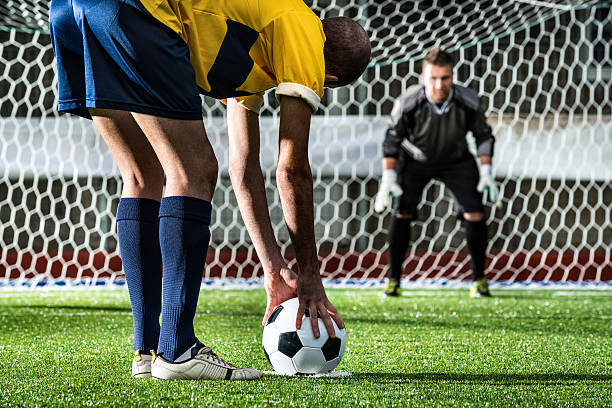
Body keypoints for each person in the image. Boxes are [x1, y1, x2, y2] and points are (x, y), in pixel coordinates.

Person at [49, 0, 371, 380]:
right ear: (329, 78)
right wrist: (311, 277)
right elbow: (292, 169)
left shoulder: (265, 34)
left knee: (141, 174)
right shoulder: (304, 40)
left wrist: (273, 269)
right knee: (194, 169)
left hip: (73, 10)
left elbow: (244, 167)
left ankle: (148, 351)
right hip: (138, 10)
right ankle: (178, 349)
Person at [374, 47, 498, 298]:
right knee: (402, 211)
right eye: (433, 78)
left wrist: (486, 171)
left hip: (457, 159)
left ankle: (479, 280)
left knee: (475, 213)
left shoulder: (468, 100)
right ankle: (393, 280)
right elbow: (392, 140)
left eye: (445, 78)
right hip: (416, 160)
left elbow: (483, 136)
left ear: (453, 77)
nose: (439, 84)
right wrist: (389, 177)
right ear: (423, 77)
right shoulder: (408, 102)